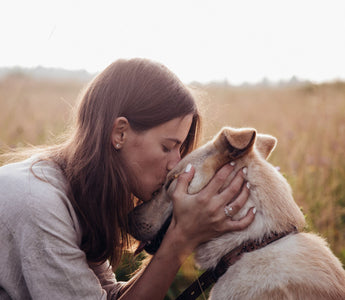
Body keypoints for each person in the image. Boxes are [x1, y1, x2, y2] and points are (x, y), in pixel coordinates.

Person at [0, 58, 255, 299]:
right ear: (120, 133)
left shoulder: (78, 195)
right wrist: (181, 238)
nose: (175, 164)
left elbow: (108, 296)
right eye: (167, 147)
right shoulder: (39, 205)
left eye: (180, 149)